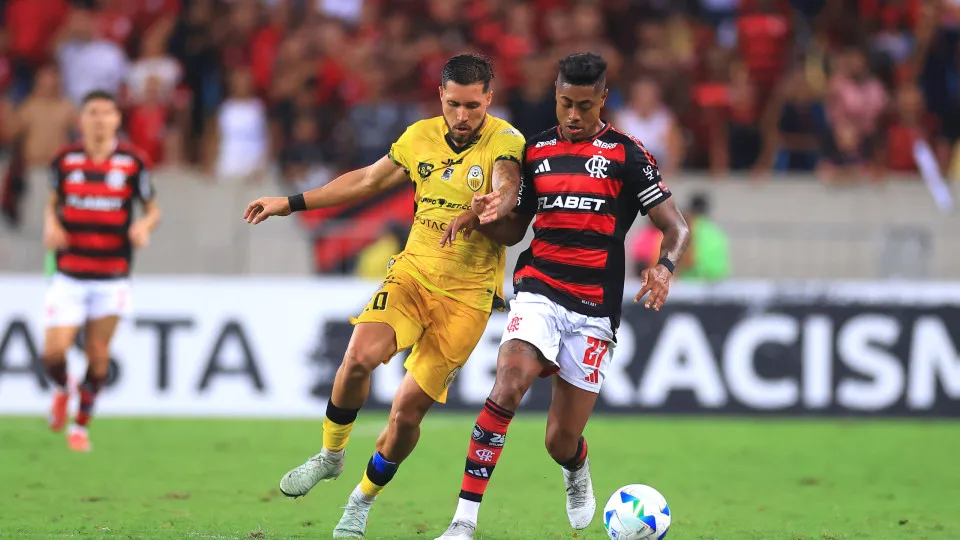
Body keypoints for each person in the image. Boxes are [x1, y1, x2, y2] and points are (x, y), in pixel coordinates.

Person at [242, 54, 525, 539]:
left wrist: (494, 203)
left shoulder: (506, 140)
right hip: (412, 276)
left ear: (489, 100)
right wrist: (290, 204)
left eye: (473, 106)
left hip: (468, 298)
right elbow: (368, 180)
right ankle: (331, 456)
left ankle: (360, 502)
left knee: (405, 413)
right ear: (441, 97)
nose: (462, 116)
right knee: (357, 358)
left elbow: (508, 180)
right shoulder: (419, 138)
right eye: (454, 104)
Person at [434, 53, 690, 540]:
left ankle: (576, 469)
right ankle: (463, 521)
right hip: (538, 289)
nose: (574, 116)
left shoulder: (627, 155)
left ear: (603, 101)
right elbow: (515, 231)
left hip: (594, 306)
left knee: (559, 439)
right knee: (509, 381)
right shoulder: (536, 151)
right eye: (566, 104)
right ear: (555, 96)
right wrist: (485, 219)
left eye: (585, 106)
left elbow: (675, 225)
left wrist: (665, 265)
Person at [43, 90, 161, 452]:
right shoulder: (64, 159)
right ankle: (64, 388)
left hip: (112, 276)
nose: (99, 119)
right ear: (81, 119)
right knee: (54, 354)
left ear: (116, 119)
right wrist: (50, 223)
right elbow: (53, 202)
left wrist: (144, 226)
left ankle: (80, 427)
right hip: (69, 273)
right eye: (92, 112)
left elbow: (152, 208)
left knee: (97, 354)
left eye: (106, 113)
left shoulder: (132, 162)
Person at [677, 193, 731, 281]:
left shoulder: (689, 229)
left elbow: (687, 264)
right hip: (719, 282)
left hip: (692, 282)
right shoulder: (718, 232)